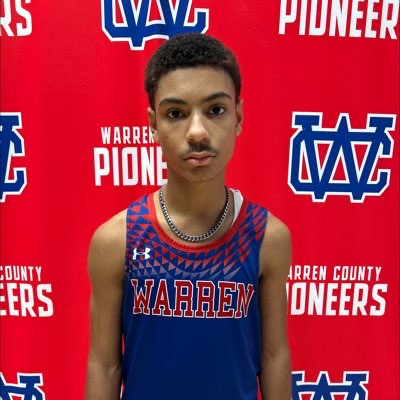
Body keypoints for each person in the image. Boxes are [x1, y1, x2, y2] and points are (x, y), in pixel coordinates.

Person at [85, 33, 292, 400]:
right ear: (153, 124)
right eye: (176, 114)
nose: (197, 132)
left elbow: (274, 355)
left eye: (216, 110)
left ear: (238, 116)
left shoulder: (267, 237)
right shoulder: (117, 240)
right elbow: (104, 364)